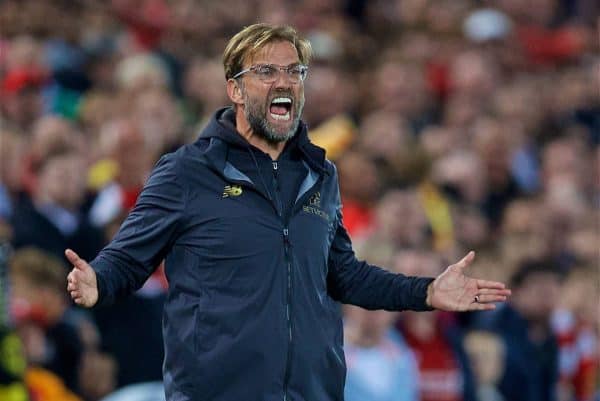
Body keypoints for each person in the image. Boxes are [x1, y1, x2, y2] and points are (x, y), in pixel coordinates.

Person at [65, 23, 511, 401]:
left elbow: (343, 275)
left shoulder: (321, 175)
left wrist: (427, 292)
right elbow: (128, 258)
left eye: (294, 72)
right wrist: (97, 281)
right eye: (265, 71)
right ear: (235, 89)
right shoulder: (186, 172)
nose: (284, 81)